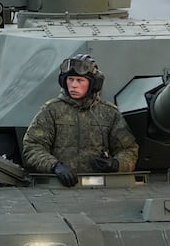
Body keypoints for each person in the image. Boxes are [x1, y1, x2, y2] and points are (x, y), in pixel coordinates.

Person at [22, 54, 139, 187]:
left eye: (79, 80)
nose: (74, 85)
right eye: (70, 79)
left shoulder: (109, 113)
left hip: (102, 188)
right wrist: (55, 166)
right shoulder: (51, 110)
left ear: (93, 84)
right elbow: (32, 146)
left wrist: (116, 164)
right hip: (60, 187)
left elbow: (129, 150)